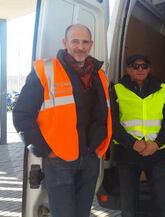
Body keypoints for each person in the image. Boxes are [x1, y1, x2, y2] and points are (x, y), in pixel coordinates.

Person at [13, 24, 112, 217]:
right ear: (65, 42)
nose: (80, 47)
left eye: (85, 42)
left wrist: (99, 144)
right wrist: (43, 150)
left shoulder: (99, 74)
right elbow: (22, 114)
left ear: (91, 44)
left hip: (90, 156)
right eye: (75, 41)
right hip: (59, 160)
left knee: (82, 213)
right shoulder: (46, 70)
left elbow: (104, 113)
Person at [111, 54, 165, 217]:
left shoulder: (161, 88)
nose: (140, 69)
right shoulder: (117, 89)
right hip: (128, 153)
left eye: (144, 66)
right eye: (135, 66)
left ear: (149, 69)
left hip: (156, 152)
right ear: (128, 69)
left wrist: (157, 143)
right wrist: (132, 143)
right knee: (128, 206)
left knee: (162, 203)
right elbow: (112, 122)